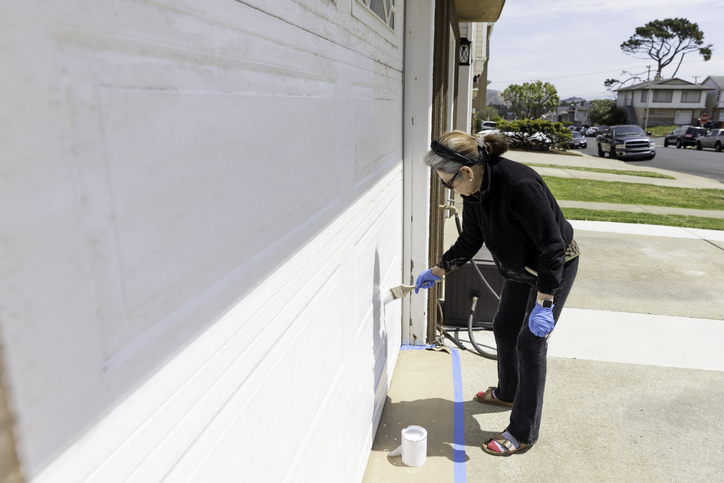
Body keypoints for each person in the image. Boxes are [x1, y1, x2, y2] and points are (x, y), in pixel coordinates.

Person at [415, 130, 580, 456]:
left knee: (530, 344)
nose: (447, 190)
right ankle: (508, 392)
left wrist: (545, 303)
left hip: (552, 269)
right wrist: (439, 269)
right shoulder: (474, 191)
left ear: (466, 171)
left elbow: (553, 248)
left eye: (447, 183)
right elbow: (470, 239)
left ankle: (523, 432)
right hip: (520, 270)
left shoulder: (520, 186)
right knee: (505, 329)